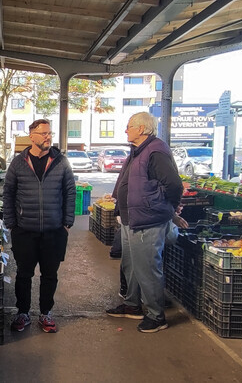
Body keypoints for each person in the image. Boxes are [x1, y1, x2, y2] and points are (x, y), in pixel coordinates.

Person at [105, 112, 185, 333]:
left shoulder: (156, 151)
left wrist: (167, 208)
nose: (126, 130)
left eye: (129, 126)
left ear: (141, 129)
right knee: (130, 265)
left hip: (147, 219)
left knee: (148, 268)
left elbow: (174, 185)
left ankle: (156, 315)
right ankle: (132, 305)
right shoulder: (138, 150)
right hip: (132, 219)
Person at [3, 119, 76, 334]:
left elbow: (70, 191)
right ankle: (23, 312)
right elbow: (8, 193)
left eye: (49, 133)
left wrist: (67, 222)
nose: (48, 137)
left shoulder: (61, 162)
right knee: (24, 274)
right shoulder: (18, 162)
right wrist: (11, 223)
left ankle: (46, 313)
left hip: (54, 231)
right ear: (31, 136)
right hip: (24, 230)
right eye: (43, 133)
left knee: (50, 274)